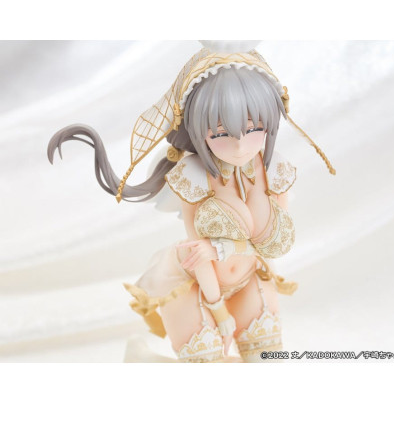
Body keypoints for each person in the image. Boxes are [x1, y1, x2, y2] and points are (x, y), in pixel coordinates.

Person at [48, 41, 335, 362]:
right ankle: (141, 360)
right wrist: (219, 313)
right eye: (221, 133)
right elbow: (197, 255)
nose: (240, 145)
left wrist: (221, 249)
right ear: (199, 131)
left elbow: (274, 245)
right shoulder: (193, 175)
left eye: (254, 128)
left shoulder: (275, 170)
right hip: (194, 285)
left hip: (249, 279)